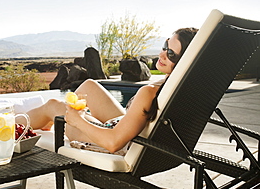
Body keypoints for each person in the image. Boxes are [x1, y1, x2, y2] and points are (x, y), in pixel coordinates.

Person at [26, 27, 198, 154]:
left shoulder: (150, 92)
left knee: (53, 105)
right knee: (89, 86)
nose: (162, 54)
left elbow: (114, 142)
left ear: (185, 61)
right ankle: (37, 121)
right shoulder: (184, 87)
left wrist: (78, 121)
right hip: (124, 127)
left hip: (113, 140)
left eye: (171, 54)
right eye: (165, 45)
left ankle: (13, 128)